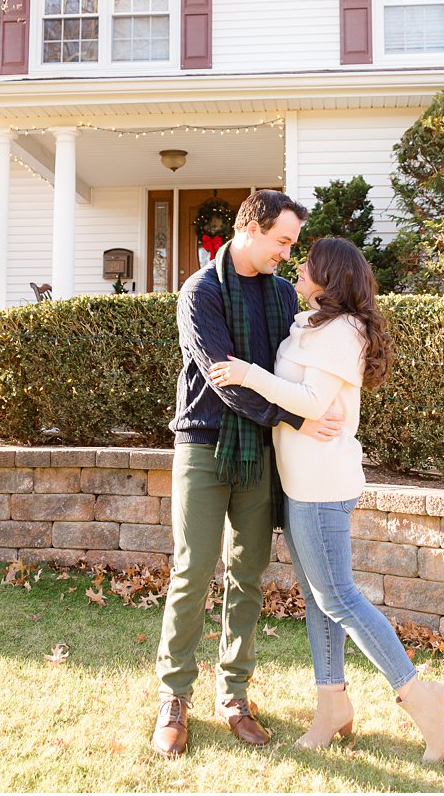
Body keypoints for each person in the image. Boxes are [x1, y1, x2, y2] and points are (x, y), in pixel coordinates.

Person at [207, 236, 444, 763]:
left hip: (323, 483)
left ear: (327, 278)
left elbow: (312, 403)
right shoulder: (310, 325)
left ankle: (419, 695)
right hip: (298, 480)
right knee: (320, 600)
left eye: (305, 265)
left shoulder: (343, 332)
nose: (296, 270)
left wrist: (245, 373)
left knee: (339, 597)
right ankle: (332, 707)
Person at [151, 190, 344, 758]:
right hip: (204, 445)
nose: (288, 253)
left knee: (249, 575)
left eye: (292, 243)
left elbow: (303, 361)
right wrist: (295, 417)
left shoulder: (285, 295)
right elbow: (223, 378)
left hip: (260, 451)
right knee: (192, 571)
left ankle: (233, 695)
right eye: (282, 241)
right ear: (251, 229)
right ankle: (173, 698)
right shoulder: (199, 292)